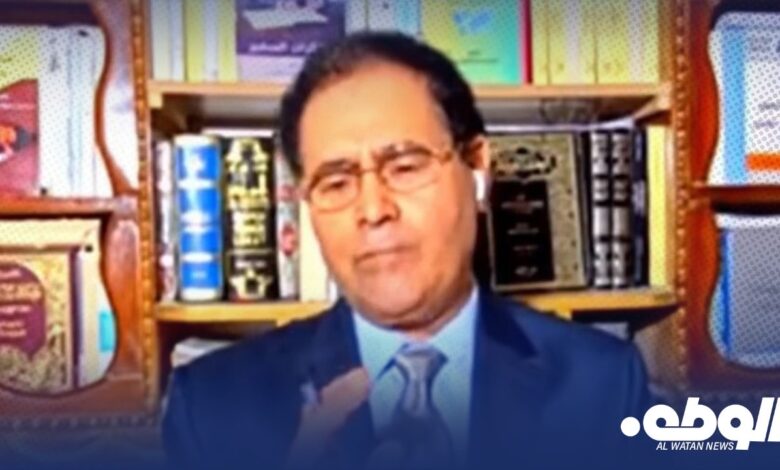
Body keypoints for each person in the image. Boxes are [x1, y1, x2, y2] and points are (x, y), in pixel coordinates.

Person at [162, 32, 651, 470]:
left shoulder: (602, 383)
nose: (374, 210)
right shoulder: (212, 407)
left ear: (477, 168)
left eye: (406, 167)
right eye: (336, 182)